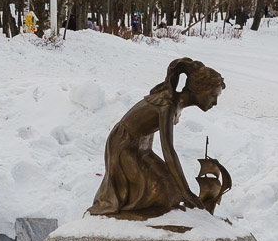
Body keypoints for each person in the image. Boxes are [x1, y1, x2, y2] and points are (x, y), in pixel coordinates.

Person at [88, 57, 226, 219]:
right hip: (124, 147)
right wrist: (186, 191)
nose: (215, 102)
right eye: (213, 96)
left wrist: (182, 191)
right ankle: (133, 213)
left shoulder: (175, 103)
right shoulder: (167, 106)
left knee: (172, 193)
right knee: (165, 193)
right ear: (199, 89)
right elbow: (168, 151)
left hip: (142, 148)